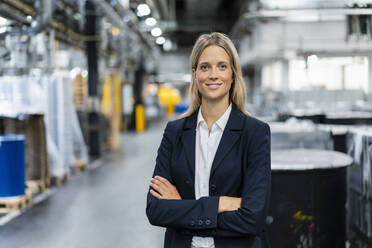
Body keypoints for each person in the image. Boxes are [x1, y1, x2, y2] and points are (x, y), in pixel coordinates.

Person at [146, 32, 271, 248]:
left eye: (222, 66)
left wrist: (182, 209)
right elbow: (156, 210)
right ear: (195, 74)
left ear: (233, 74)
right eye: (205, 67)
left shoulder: (255, 132)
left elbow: (253, 218)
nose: (213, 74)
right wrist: (221, 204)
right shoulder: (174, 132)